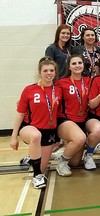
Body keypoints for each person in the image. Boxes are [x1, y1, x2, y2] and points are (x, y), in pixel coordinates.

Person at [10, 57, 62, 189]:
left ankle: (30, 157)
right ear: (40, 72)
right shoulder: (29, 90)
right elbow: (20, 114)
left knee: (42, 167)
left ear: (55, 73)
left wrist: (57, 137)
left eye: (51, 70)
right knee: (35, 137)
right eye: (45, 70)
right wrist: (13, 137)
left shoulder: (59, 90)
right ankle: (37, 177)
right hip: (30, 127)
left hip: (49, 130)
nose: (49, 73)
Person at [55, 55, 100, 177]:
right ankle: (61, 162)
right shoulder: (61, 83)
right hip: (66, 120)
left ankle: (87, 155)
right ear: (69, 66)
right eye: (74, 63)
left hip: (84, 119)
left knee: (75, 163)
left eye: (79, 63)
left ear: (83, 65)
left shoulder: (89, 81)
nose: (77, 66)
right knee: (80, 138)